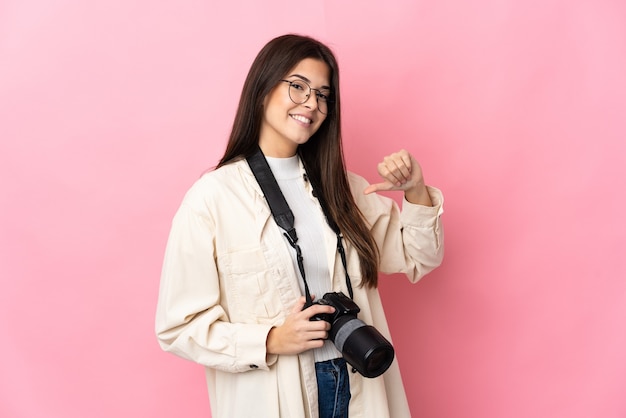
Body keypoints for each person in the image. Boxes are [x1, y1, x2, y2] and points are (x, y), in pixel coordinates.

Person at [155, 34, 444, 418]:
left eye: (323, 94)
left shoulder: (345, 189)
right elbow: (177, 327)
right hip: (276, 392)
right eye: (298, 87)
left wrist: (416, 190)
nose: (312, 103)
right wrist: (271, 339)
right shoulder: (212, 199)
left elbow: (420, 257)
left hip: (358, 377)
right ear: (262, 89)